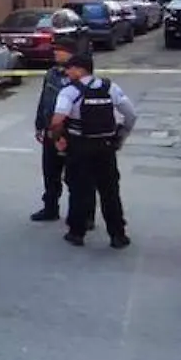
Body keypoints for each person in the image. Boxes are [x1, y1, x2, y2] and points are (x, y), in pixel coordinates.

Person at [50, 53, 137, 248]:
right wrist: (120, 137)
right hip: (105, 147)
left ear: (80, 69)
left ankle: (76, 233)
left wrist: (58, 139)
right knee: (110, 192)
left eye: (70, 68)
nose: (67, 71)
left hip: (79, 146)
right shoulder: (110, 88)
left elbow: (57, 121)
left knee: (79, 190)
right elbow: (131, 115)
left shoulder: (70, 92)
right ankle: (117, 235)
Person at [29, 42, 78, 222]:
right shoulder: (51, 74)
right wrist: (40, 124)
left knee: (75, 176)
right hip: (51, 130)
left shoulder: (76, 75)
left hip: (71, 132)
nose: (56, 53)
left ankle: (82, 215)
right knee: (50, 172)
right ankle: (50, 208)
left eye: (60, 50)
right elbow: (45, 100)